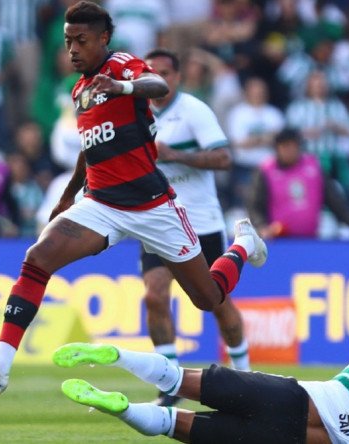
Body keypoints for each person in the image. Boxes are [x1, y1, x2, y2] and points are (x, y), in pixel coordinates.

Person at [0, 1, 267, 395]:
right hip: (101, 204)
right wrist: (68, 197)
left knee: (208, 298)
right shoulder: (82, 90)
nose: (72, 50)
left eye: (81, 41)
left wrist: (121, 86)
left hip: (152, 205)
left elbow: (159, 86)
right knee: (36, 259)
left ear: (103, 38)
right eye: (68, 42)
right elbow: (89, 148)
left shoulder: (120, 66)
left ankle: (242, 245)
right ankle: (0, 362)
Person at [54, 230, 349, 444]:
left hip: (289, 397)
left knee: (181, 380)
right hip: (282, 440)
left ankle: (116, 354)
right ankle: (121, 409)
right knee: (172, 425)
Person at [138, 48, 251, 407]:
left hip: (200, 223)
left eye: (167, 73)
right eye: (152, 73)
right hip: (157, 221)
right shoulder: (135, 114)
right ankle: (172, 384)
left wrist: (177, 155)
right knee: (154, 295)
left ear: (178, 77)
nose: (160, 79)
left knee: (216, 302)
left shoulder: (194, 111)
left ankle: (246, 375)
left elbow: (223, 158)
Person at [247, 128, 349, 240]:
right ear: (277, 148)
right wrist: (262, 227)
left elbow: (334, 200)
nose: (289, 151)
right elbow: (255, 204)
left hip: (310, 241)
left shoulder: (313, 166)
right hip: (278, 241)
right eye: (285, 146)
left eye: (293, 146)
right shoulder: (266, 170)